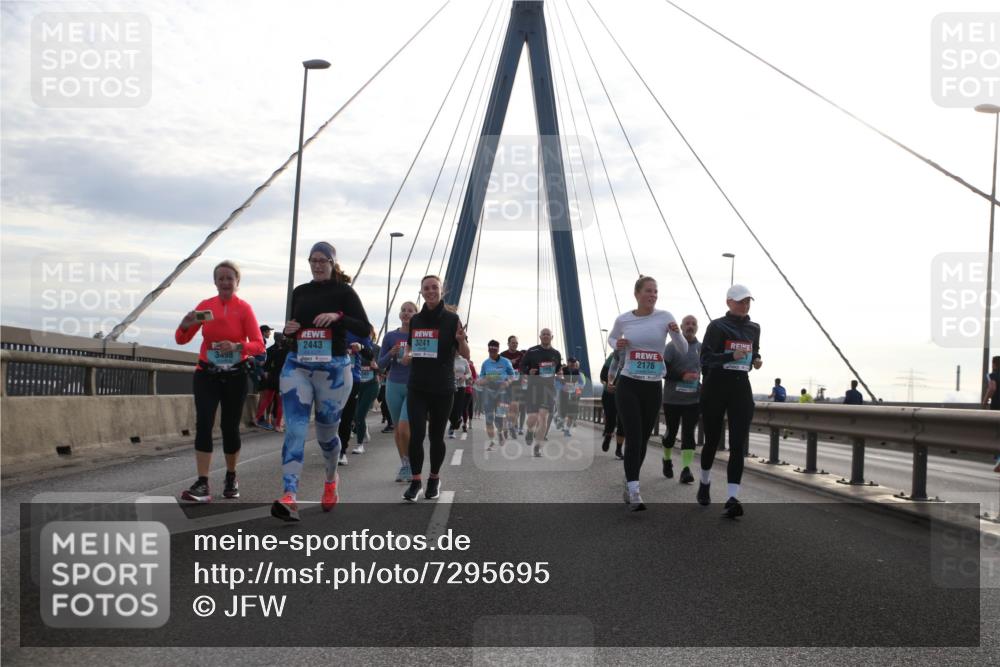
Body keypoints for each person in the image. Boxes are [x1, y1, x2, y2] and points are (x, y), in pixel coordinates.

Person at [271, 242, 370, 522]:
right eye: (313, 260)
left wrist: (338, 316)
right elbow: (293, 328)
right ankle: (289, 495)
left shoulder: (344, 292)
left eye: (322, 260)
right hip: (298, 365)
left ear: (332, 263)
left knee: (327, 436)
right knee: (295, 429)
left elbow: (365, 329)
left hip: (333, 370)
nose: (317, 265)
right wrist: (289, 330)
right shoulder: (299, 292)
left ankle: (330, 480)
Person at [175, 260, 266, 503]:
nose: (225, 282)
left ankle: (231, 477)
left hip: (235, 375)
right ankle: (203, 482)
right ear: (215, 282)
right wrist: (185, 324)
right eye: (221, 278)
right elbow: (181, 339)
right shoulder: (206, 307)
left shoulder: (244, 309)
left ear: (237, 282)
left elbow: (259, 345)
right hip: (207, 372)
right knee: (204, 422)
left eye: (230, 278)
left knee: (229, 426)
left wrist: (237, 346)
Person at [608, 276, 687, 511]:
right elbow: (612, 337)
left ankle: (630, 479)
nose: (653, 295)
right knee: (633, 435)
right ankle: (634, 490)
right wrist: (617, 344)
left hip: (653, 386)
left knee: (642, 439)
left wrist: (677, 333)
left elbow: (682, 350)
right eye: (648, 291)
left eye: (655, 291)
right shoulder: (624, 319)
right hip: (629, 384)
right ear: (637, 294)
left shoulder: (665, 317)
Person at [697, 284, 762, 519]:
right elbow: (705, 358)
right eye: (740, 301)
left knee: (737, 444)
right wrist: (729, 356)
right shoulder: (716, 326)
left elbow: (753, 353)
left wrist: (756, 360)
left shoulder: (754, 328)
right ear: (729, 302)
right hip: (715, 387)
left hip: (740, 387)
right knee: (712, 441)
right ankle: (704, 483)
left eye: (748, 301)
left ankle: (732, 497)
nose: (745, 305)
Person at [402, 276, 470, 501]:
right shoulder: (416, 320)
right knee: (416, 435)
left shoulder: (452, 319)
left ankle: (434, 479)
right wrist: (407, 355)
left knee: (436, 437)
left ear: (442, 291)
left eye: (435, 288)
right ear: (421, 292)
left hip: (442, 386)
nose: (430, 291)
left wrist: (460, 341)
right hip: (417, 386)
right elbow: (410, 349)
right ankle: (415, 482)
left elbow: (465, 354)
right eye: (426, 288)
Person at [379, 301, 419, 482]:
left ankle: (411, 462)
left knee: (404, 428)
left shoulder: (420, 335)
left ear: (416, 314)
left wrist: (413, 357)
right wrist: (391, 353)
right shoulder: (390, 336)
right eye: (403, 310)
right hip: (393, 385)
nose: (406, 313)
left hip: (413, 386)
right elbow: (380, 365)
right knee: (397, 430)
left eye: (410, 311)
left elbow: (429, 358)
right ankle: (405, 465)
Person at [661, 314, 701, 484]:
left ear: (697, 328)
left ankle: (686, 469)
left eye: (693, 324)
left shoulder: (702, 348)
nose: (690, 326)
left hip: (693, 400)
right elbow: (662, 370)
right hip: (672, 399)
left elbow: (709, 368)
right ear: (682, 327)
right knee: (671, 433)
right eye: (687, 324)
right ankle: (667, 459)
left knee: (689, 434)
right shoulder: (671, 347)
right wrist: (681, 375)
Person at [520, 328, 564, 457]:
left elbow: (558, 369)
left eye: (548, 335)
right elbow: (522, 367)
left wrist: (560, 374)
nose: (545, 336)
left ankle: (537, 447)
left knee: (543, 417)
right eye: (543, 334)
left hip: (548, 390)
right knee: (533, 418)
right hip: (533, 388)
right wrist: (528, 372)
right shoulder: (532, 351)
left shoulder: (556, 353)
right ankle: (529, 430)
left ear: (552, 337)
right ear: (540, 336)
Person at [477, 340, 516, 450]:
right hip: (488, 392)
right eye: (490, 351)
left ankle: (500, 432)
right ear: (488, 350)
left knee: (499, 418)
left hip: (503, 393)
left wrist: (507, 382)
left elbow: (513, 376)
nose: (492, 353)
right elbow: (481, 377)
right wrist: (481, 381)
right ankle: (492, 441)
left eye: (494, 351)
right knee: (489, 419)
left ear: (498, 350)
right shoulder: (485, 363)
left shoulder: (506, 362)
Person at [352, 325, 382, 452]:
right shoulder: (354, 347)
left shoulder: (376, 349)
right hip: (356, 383)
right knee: (354, 415)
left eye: (368, 334)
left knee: (360, 414)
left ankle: (360, 445)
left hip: (371, 384)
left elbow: (384, 367)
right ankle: (362, 430)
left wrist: (376, 366)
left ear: (372, 335)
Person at [255, 332, 288, 430]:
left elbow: (266, 364)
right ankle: (278, 425)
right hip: (282, 377)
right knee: (280, 402)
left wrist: (266, 371)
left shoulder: (271, 350)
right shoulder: (287, 352)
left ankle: (256, 418)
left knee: (267, 399)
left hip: (272, 377)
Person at [599, 350, 625, 458]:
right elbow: (603, 374)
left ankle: (618, 450)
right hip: (610, 393)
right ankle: (608, 436)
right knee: (611, 420)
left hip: (626, 394)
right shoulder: (615, 354)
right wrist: (610, 384)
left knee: (623, 422)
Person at [500, 335, 526, 437]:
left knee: (515, 406)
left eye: (516, 343)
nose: (514, 344)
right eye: (513, 343)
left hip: (517, 384)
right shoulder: (502, 355)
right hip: (506, 384)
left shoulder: (521, 355)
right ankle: (506, 426)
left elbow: (525, 367)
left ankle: (512, 426)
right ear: (508, 343)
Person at [448, 349, 473, 439]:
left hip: (461, 386)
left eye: (458, 349)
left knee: (458, 408)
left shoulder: (464, 360)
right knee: (450, 407)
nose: (456, 351)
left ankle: (452, 427)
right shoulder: (448, 358)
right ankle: (454, 423)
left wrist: (464, 377)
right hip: (450, 386)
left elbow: (469, 373)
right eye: (454, 349)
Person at [559, 358, 585, 436]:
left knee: (571, 413)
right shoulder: (563, 370)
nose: (573, 365)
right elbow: (557, 380)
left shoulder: (577, 372)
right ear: (568, 362)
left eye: (574, 363)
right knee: (563, 412)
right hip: (564, 394)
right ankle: (561, 422)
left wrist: (577, 389)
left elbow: (581, 383)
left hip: (573, 395)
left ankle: (567, 430)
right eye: (571, 363)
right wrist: (562, 386)